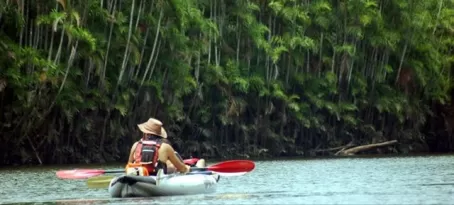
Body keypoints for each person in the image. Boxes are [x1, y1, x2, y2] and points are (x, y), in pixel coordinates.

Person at [126, 118, 191, 176]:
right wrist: (186, 168)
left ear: (145, 133)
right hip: (156, 179)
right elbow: (182, 169)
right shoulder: (166, 147)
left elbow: (129, 166)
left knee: (170, 167)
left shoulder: (136, 145)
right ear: (160, 135)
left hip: (139, 176)